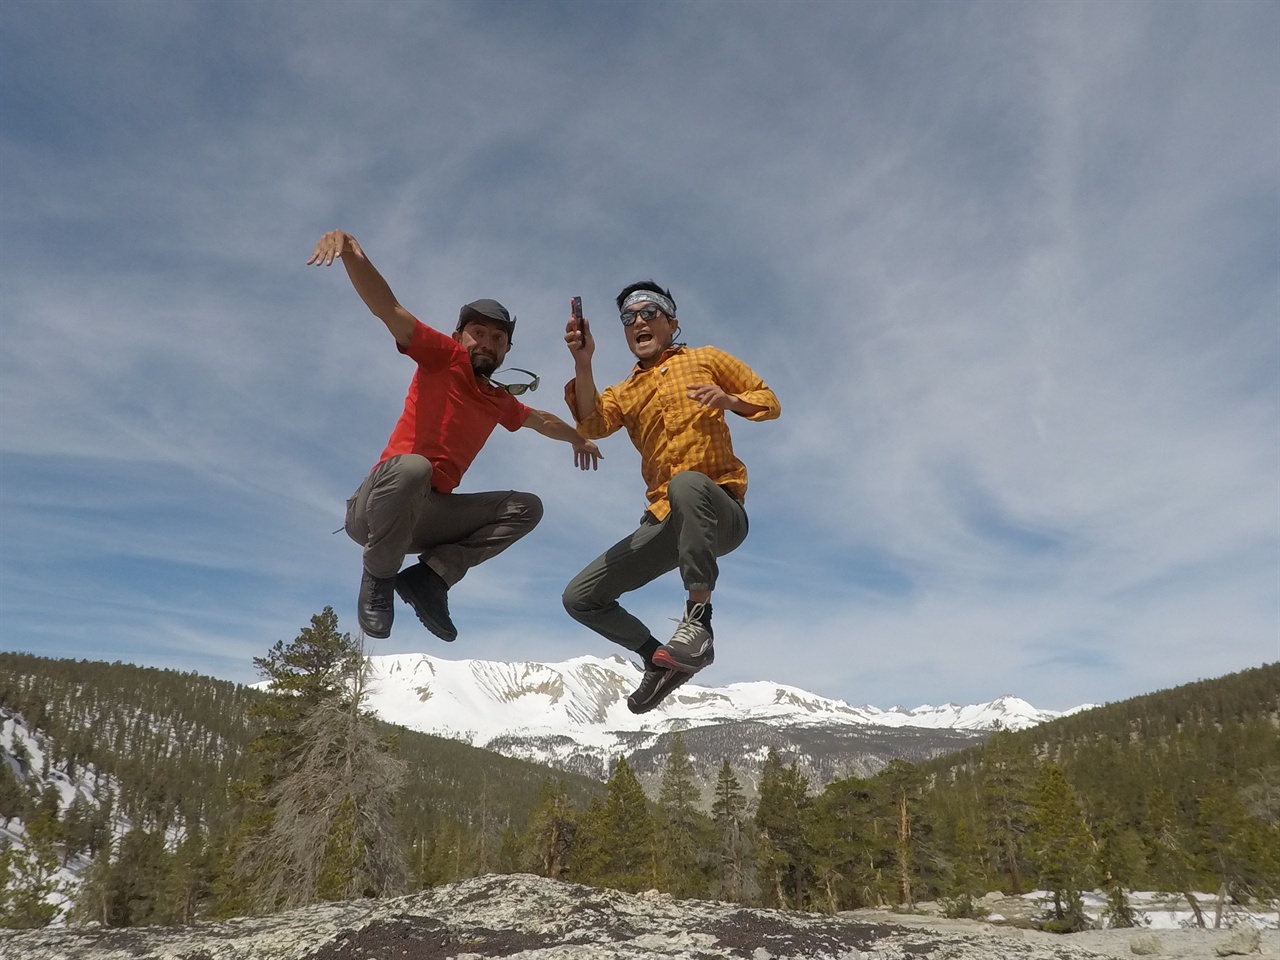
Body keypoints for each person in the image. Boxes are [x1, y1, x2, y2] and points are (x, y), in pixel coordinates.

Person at [308, 229, 600, 641]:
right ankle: (378, 579)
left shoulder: (496, 399)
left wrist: (578, 438)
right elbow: (387, 308)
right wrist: (353, 254)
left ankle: (431, 578)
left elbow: (541, 420)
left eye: (498, 338)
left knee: (526, 507)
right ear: (458, 335)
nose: (487, 342)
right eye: (478, 332)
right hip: (374, 512)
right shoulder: (442, 357)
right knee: (414, 468)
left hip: (427, 517)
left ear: (506, 352)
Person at [560, 280, 780, 714]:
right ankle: (659, 662)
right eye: (628, 318)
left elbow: (768, 400)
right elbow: (591, 424)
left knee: (687, 482)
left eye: (648, 313)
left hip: (720, 510)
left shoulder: (706, 359)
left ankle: (699, 623)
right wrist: (583, 362)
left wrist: (729, 399)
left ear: (672, 322)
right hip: (665, 519)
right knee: (580, 598)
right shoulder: (625, 391)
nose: (638, 322)